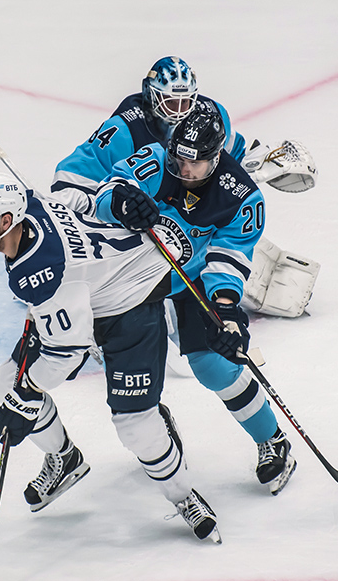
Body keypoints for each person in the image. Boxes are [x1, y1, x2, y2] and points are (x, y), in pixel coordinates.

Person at [0, 172, 222, 542]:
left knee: (136, 425)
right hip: (88, 292)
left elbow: (67, 354)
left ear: (5, 221)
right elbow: (80, 200)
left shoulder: (41, 274)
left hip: (131, 297)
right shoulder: (32, 205)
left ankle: (184, 496)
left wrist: (27, 396)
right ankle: (64, 459)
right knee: (8, 382)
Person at [93, 104, 297, 495]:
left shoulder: (241, 197)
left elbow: (229, 255)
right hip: (134, 280)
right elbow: (109, 187)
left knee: (215, 367)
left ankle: (272, 439)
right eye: (179, 159)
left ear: (216, 157)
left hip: (191, 280)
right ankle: (156, 425)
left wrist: (225, 309)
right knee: (133, 372)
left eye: (195, 164)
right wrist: (118, 202)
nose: (183, 170)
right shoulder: (156, 161)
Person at [51, 55, 320, 319]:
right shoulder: (125, 130)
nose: (179, 111)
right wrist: (111, 206)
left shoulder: (212, 116)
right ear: (151, 95)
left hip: (172, 211)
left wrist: (257, 163)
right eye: (170, 101)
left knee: (214, 232)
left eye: (186, 101)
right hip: (117, 209)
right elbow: (70, 181)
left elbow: (231, 154)